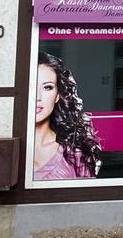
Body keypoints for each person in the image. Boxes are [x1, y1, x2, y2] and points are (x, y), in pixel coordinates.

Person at [34, 52, 101, 180]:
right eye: (31, 86)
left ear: (57, 95)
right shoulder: (8, 150)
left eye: (47, 87)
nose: (37, 97)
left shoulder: (75, 152)